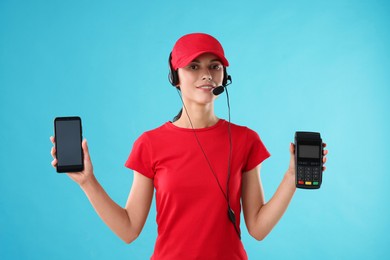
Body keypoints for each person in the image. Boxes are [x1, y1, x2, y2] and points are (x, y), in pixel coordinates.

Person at [50, 33, 328, 260]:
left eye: (214, 66)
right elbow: (129, 229)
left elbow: (257, 228)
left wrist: (292, 178)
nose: (205, 74)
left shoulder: (245, 140)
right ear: (175, 77)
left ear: (224, 76)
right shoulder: (150, 143)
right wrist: (87, 182)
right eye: (193, 66)